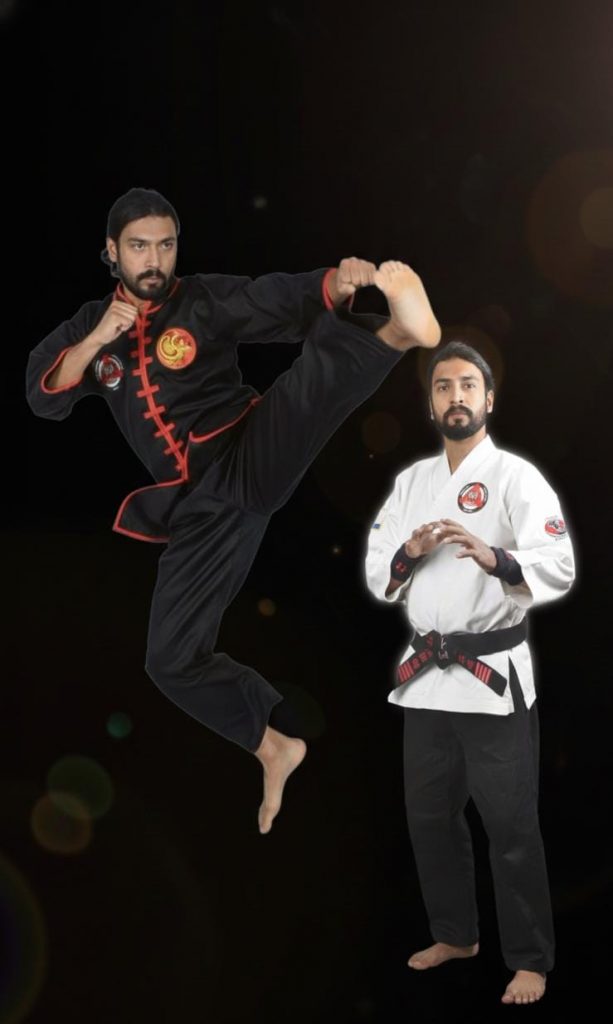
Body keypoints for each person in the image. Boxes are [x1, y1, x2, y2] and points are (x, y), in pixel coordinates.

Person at [26, 187, 441, 835]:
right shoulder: (88, 326)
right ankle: (272, 745)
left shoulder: (200, 301)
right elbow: (45, 394)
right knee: (169, 659)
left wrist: (337, 282)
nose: (154, 259)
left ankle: (394, 332)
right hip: (195, 506)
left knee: (298, 395)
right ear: (111, 251)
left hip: (243, 447)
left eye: (165, 244)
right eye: (139, 246)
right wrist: (99, 338)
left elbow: (267, 299)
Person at [365, 341, 574, 1005]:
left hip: (491, 679)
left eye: (466, 385)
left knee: (510, 826)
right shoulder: (411, 483)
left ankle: (530, 961)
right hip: (426, 678)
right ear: (430, 404)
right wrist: (409, 551)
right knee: (429, 817)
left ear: (488, 399)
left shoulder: (517, 477)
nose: (455, 396)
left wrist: (497, 559)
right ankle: (455, 935)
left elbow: (559, 564)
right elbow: (377, 570)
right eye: (442, 386)